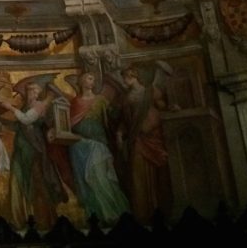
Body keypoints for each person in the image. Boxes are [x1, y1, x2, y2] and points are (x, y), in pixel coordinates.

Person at [67, 71, 130, 227]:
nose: (91, 81)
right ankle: (95, 216)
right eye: (89, 78)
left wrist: (120, 107)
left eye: (93, 79)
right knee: (85, 181)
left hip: (98, 142)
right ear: (81, 82)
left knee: (100, 177)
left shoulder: (100, 100)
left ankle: (113, 214)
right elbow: (67, 124)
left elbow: (113, 118)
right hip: (78, 146)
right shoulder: (75, 102)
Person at [9, 77, 67, 229]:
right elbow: (18, 125)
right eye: (28, 90)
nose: (29, 93)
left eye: (32, 90)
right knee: (16, 182)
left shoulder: (39, 106)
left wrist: (10, 108)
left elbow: (27, 120)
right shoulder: (24, 108)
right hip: (21, 152)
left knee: (38, 184)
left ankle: (45, 220)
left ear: (37, 93)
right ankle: (19, 220)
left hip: (35, 151)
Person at [117, 66, 171, 225]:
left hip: (152, 135)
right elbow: (125, 120)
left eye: (125, 77)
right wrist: (119, 133)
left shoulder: (150, 91)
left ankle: (160, 209)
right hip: (136, 137)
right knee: (137, 173)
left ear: (133, 76)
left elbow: (162, 106)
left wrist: (170, 108)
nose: (124, 81)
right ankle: (142, 212)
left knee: (158, 173)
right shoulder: (126, 98)